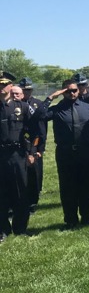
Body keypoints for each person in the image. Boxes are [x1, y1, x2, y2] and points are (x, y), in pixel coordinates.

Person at [40, 80, 89, 228]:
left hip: (86, 153)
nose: (72, 93)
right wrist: (50, 98)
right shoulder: (56, 110)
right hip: (65, 153)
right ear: (63, 92)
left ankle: (87, 218)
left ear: (79, 91)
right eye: (68, 91)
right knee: (68, 188)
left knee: (87, 187)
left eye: (75, 90)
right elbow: (39, 116)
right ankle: (70, 219)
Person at [0, 71, 38, 241]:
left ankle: (20, 228)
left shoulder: (21, 107)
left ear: (10, 86)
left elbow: (34, 132)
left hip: (18, 155)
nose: (1, 88)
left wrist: (31, 152)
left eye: (4, 84)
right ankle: (3, 230)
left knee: (21, 191)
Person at [18, 79, 46, 214]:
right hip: (19, 144)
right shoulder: (15, 104)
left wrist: (40, 148)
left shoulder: (37, 104)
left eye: (28, 90)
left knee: (35, 175)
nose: (26, 92)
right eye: (24, 90)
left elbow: (42, 129)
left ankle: (32, 202)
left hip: (34, 144)